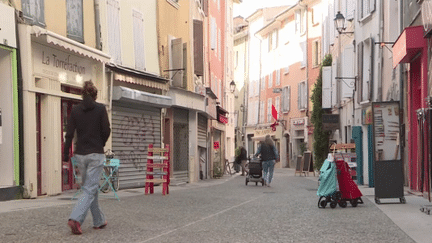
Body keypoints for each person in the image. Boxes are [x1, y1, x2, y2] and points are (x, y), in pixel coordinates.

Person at [63, 81, 111, 235]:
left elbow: (69, 133)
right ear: (95, 95)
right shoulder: (100, 109)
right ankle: (75, 219)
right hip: (95, 153)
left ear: (82, 94)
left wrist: (65, 153)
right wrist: (100, 143)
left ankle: (99, 220)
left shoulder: (76, 110)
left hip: (80, 155)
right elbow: (106, 130)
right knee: (90, 189)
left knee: (90, 188)